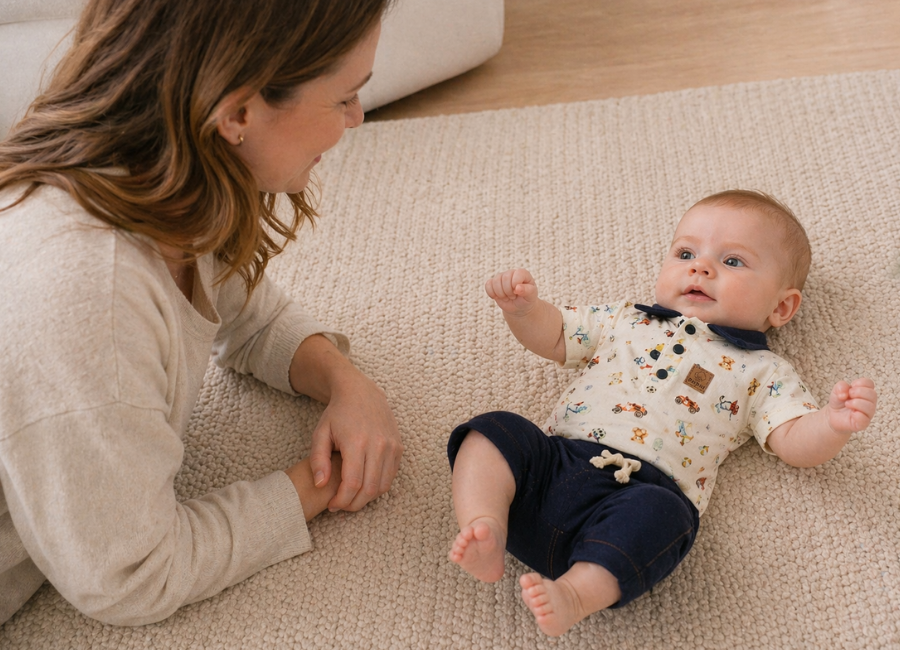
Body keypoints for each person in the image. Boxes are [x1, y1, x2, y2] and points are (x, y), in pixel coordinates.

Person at [0, 0, 403, 627]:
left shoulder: (164, 168)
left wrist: (348, 385)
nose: (355, 119)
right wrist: (318, 484)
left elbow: (250, 319)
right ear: (239, 111)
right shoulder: (89, 296)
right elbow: (131, 576)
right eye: (343, 97)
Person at [447, 190, 878, 637]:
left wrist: (831, 423)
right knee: (495, 430)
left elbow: (792, 438)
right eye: (686, 253)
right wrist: (524, 311)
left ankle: (577, 593)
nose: (701, 267)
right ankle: (486, 525)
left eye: (732, 262)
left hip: (640, 494)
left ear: (781, 307)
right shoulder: (628, 321)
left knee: (665, 518)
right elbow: (556, 335)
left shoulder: (762, 370)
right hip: (555, 465)